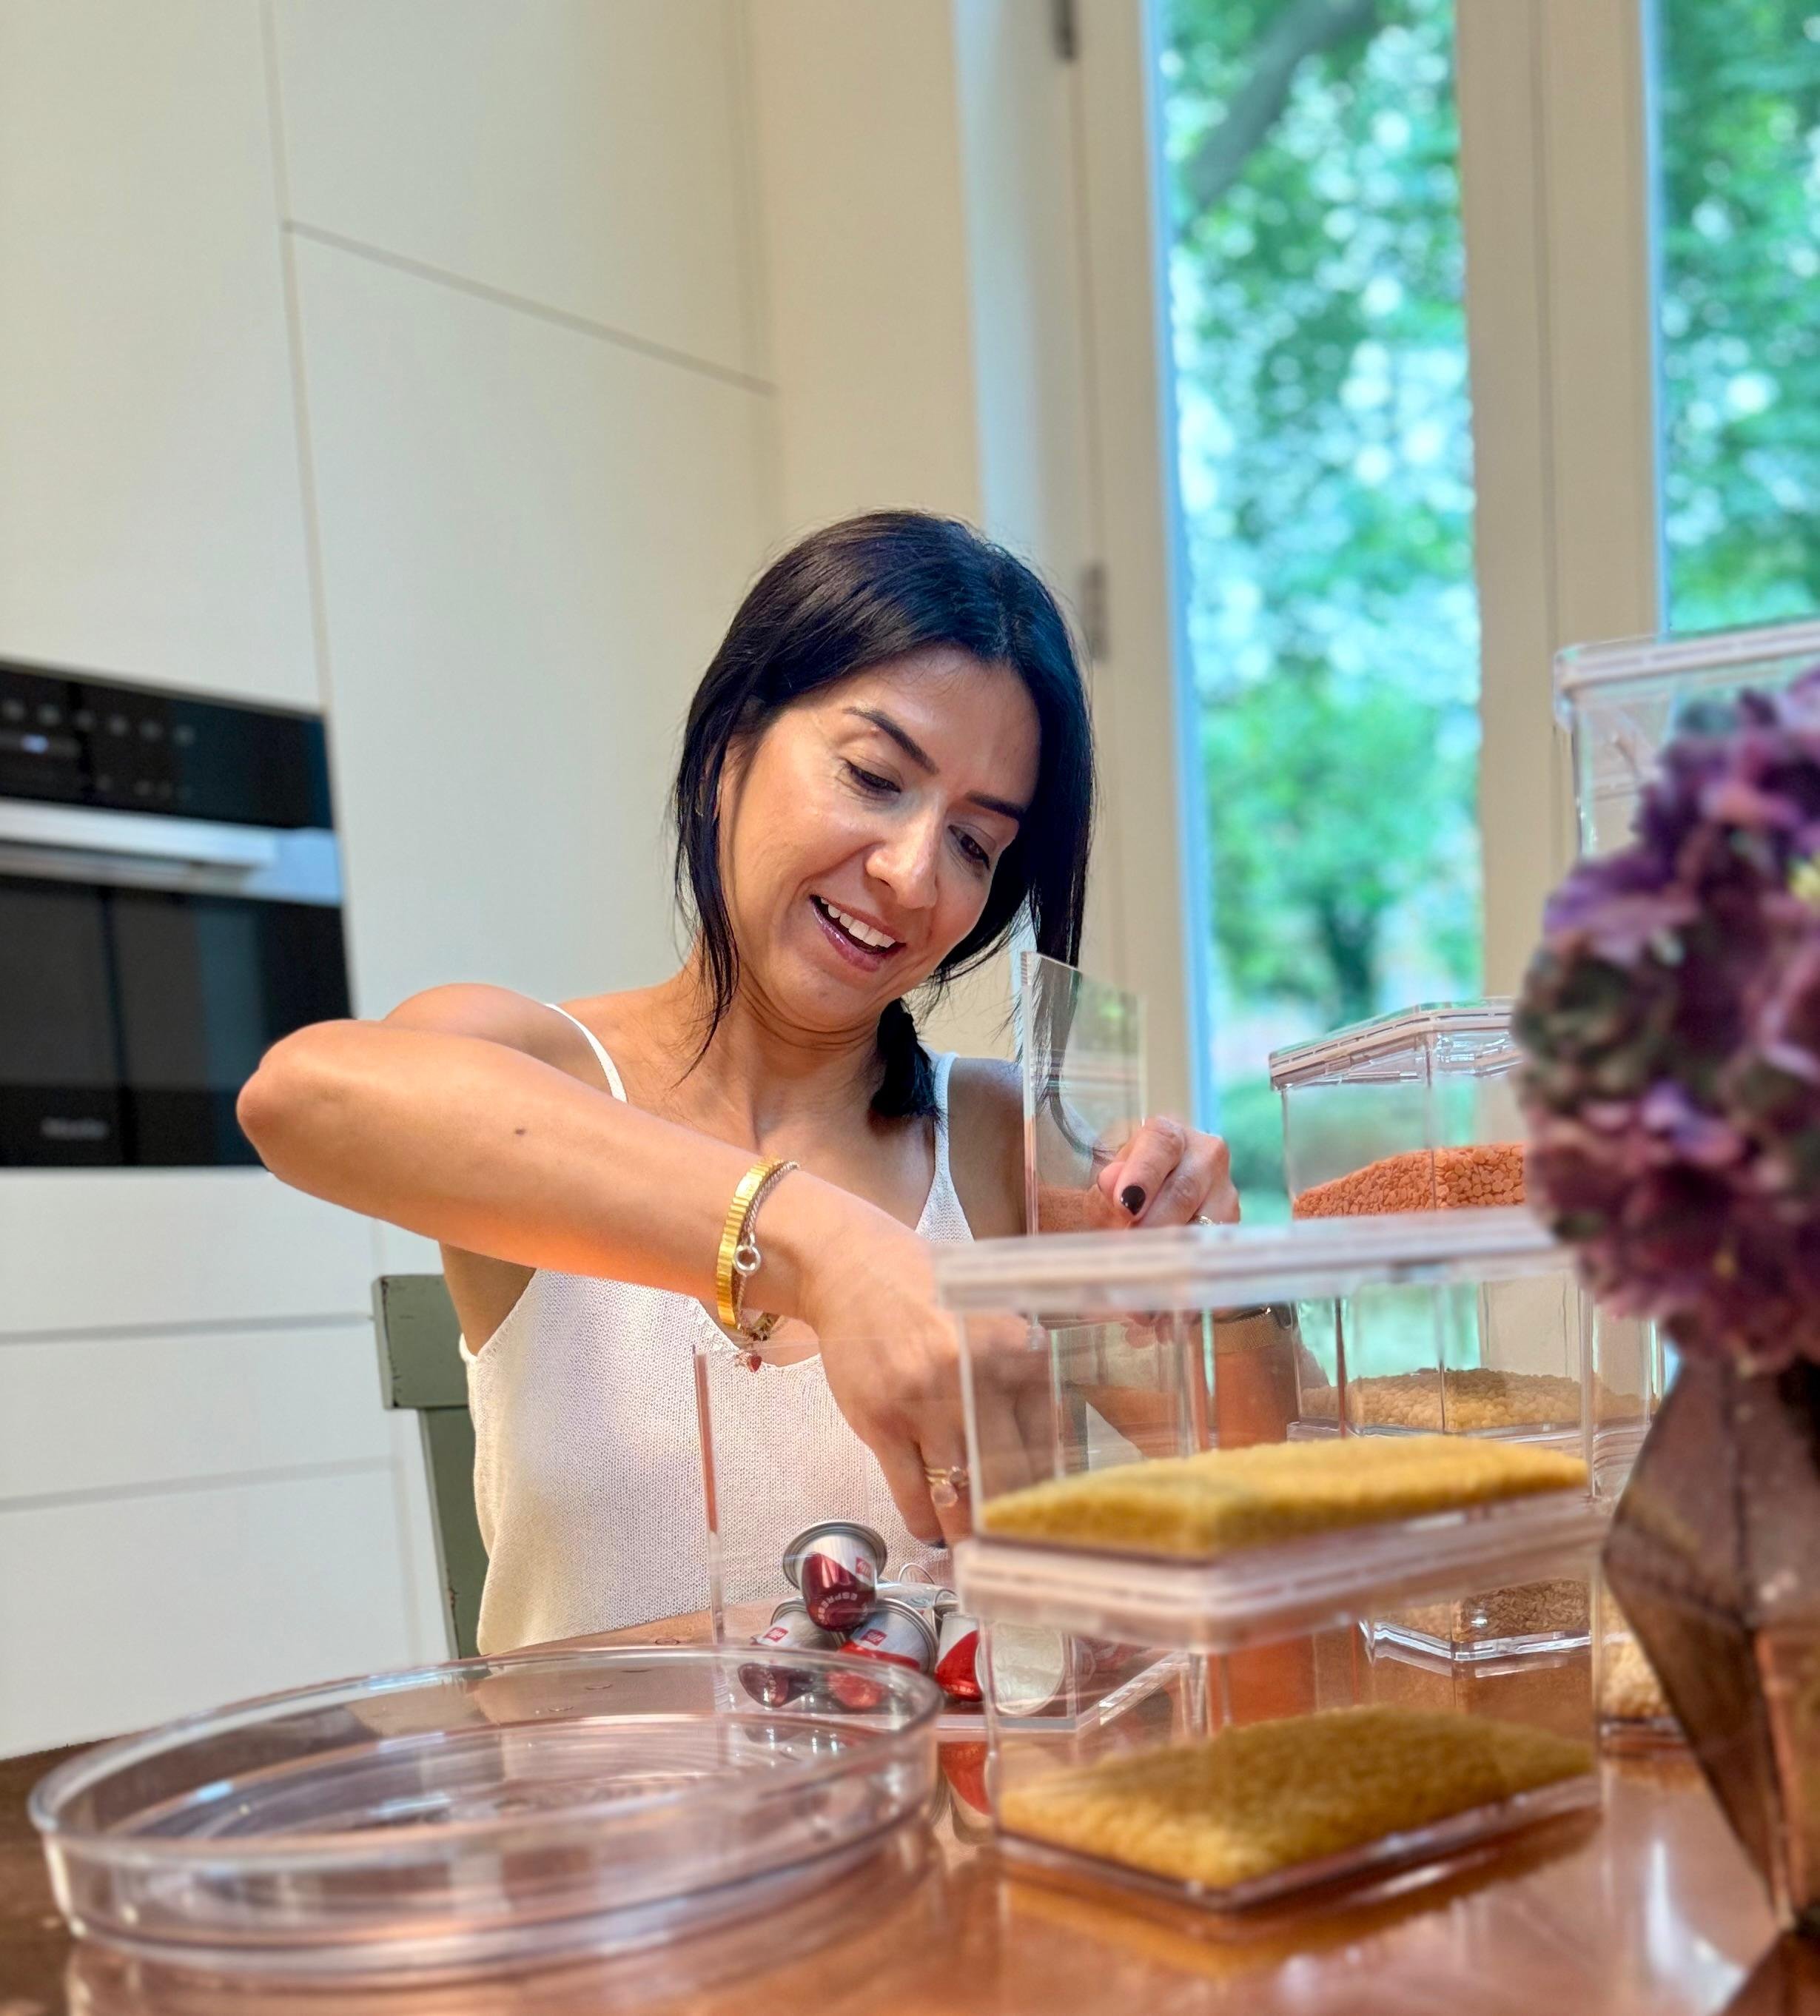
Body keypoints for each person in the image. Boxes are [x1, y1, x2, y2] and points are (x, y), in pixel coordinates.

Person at [238, 511, 1238, 1652]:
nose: (914, 877)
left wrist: (1213, 1285)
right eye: (874, 776)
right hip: (595, 1823)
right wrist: (826, 1246)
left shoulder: (1011, 1141)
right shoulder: (529, 1067)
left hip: (935, 1825)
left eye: (975, 844)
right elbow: (297, 1097)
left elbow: (1272, 1481)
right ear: (728, 752)